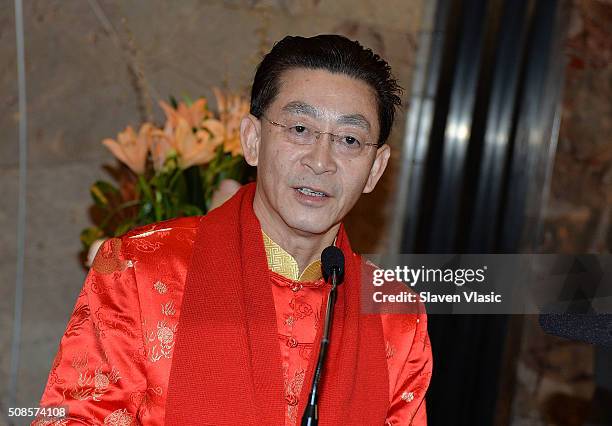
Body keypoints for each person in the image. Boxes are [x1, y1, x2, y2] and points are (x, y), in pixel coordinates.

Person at [35, 34, 432, 425]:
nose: (320, 160)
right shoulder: (141, 268)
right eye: (299, 129)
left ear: (375, 169)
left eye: (349, 139)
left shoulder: (394, 316)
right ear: (253, 139)